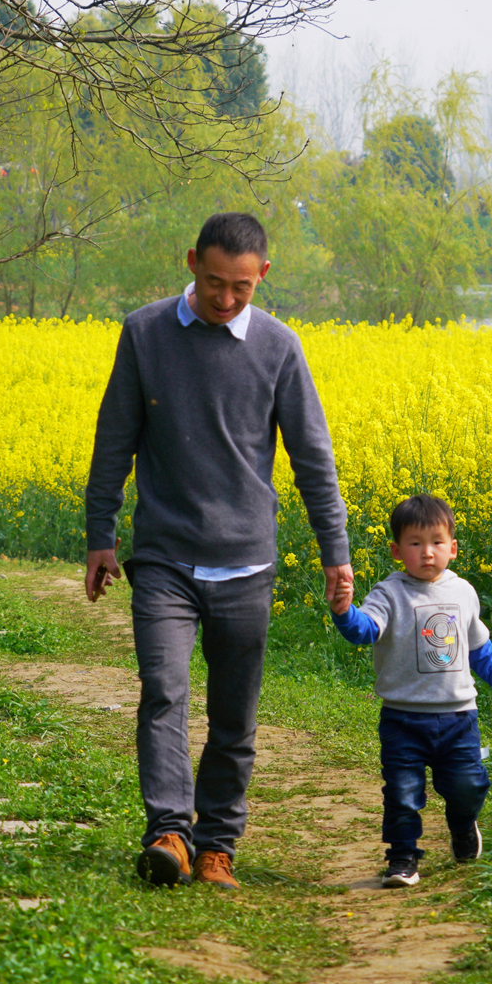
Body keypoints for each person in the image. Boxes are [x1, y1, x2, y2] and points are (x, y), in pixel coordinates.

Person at [82, 211, 353, 889]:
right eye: (212, 283)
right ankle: (169, 832)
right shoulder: (144, 333)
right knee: (164, 693)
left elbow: (312, 459)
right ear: (190, 263)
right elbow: (113, 438)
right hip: (166, 558)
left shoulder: (279, 347)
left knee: (235, 714)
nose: (225, 299)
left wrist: (335, 552)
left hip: (246, 563)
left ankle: (217, 845)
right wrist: (101, 537)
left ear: (263, 274)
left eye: (240, 286)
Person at [330, 494, 492, 888]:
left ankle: (462, 826)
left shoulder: (464, 592)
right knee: (403, 794)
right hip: (403, 718)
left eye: (437, 543)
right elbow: (365, 631)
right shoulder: (389, 593)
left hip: (459, 716)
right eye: (415, 543)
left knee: (468, 786)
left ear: (453, 548)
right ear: (396, 550)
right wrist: (344, 611)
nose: (427, 553)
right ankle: (402, 859)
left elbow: (479, 651)